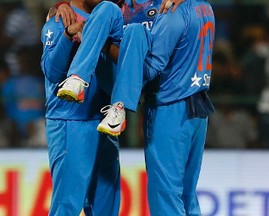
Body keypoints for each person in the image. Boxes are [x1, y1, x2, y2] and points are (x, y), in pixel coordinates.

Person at [97, 0, 216, 215]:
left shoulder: (171, 14)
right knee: (187, 196)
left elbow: (151, 68)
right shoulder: (204, 6)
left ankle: (118, 109)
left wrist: (119, 53)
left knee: (165, 196)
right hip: (198, 108)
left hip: (170, 109)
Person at [40, 0, 123, 215]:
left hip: (104, 121)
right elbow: (51, 71)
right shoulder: (59, 21)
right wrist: (68, 35)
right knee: (67, 206)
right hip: (70, 121)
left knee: (106, 208)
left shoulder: (110, 19)